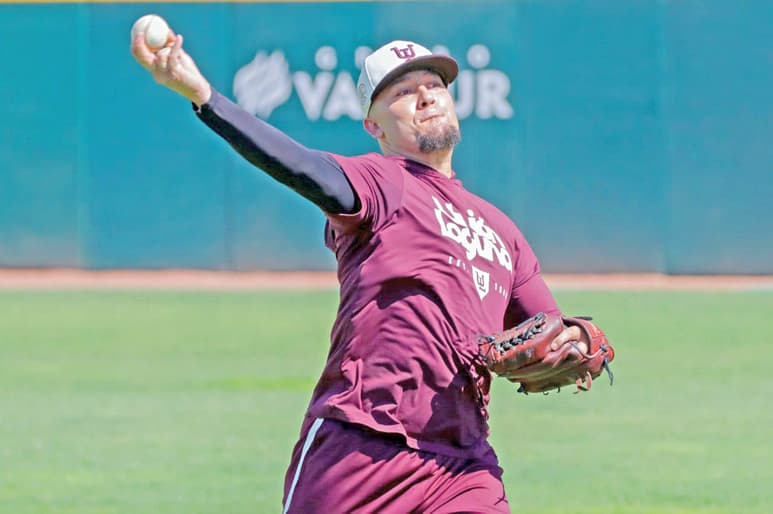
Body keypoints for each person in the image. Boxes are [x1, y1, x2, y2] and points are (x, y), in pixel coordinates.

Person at [132, 31, 585, 514]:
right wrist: (205, 97)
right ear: (375, 127)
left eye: (433, 84)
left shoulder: (503, 231)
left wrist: (573, 338)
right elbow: (300, 166)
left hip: (462, 462)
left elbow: (551, 324)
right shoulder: (382, 182)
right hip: (361, 446)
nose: (425, 96)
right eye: (402, 92)